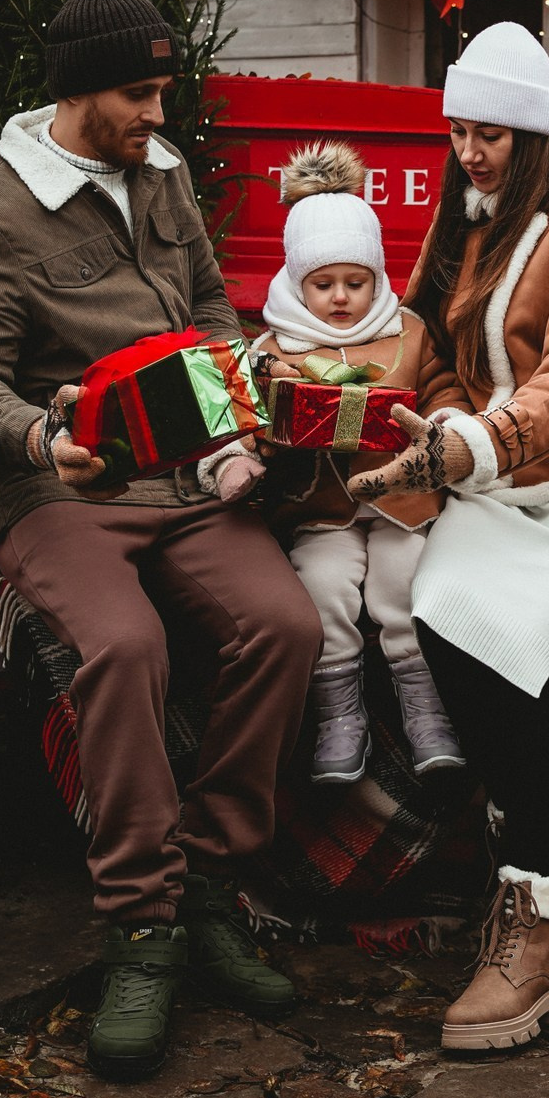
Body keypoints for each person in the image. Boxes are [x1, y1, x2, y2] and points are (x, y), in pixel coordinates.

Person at [0, 0, 318, 1082]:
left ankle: (208, 882)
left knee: (284, 628)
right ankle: (140, 926)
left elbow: (205, 308)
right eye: (140, 95)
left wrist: (249, 399)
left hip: (191, 479)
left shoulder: (164, 178)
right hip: (64, 487)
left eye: (161, 91)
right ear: (79, 91)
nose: (159, 110)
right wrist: (43, 439)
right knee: (125, 643)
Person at [347, 20, 549, 1053]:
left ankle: (535, 917)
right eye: (458, 131)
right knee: (439, 612)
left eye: (488, 134)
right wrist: (444, 428)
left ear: (532, 135)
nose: (468, 152)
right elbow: (431, 342)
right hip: (489, 480)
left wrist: (471, 447)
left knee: (484, 638)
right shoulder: (466, 218)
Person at [197, 141, 464, 783]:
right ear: (296, 283)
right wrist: (235, 460)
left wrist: (446, 427)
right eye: (323, 285)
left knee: (406, 584)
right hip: (320, 511)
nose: (341, 298)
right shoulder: (270, 348)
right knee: (321, 592)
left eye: (356, 282)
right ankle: (337, 711)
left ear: (376, 277)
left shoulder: (409, 332)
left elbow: (443, 390)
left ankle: (425, 708)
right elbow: (232, 416)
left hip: (402, 504)